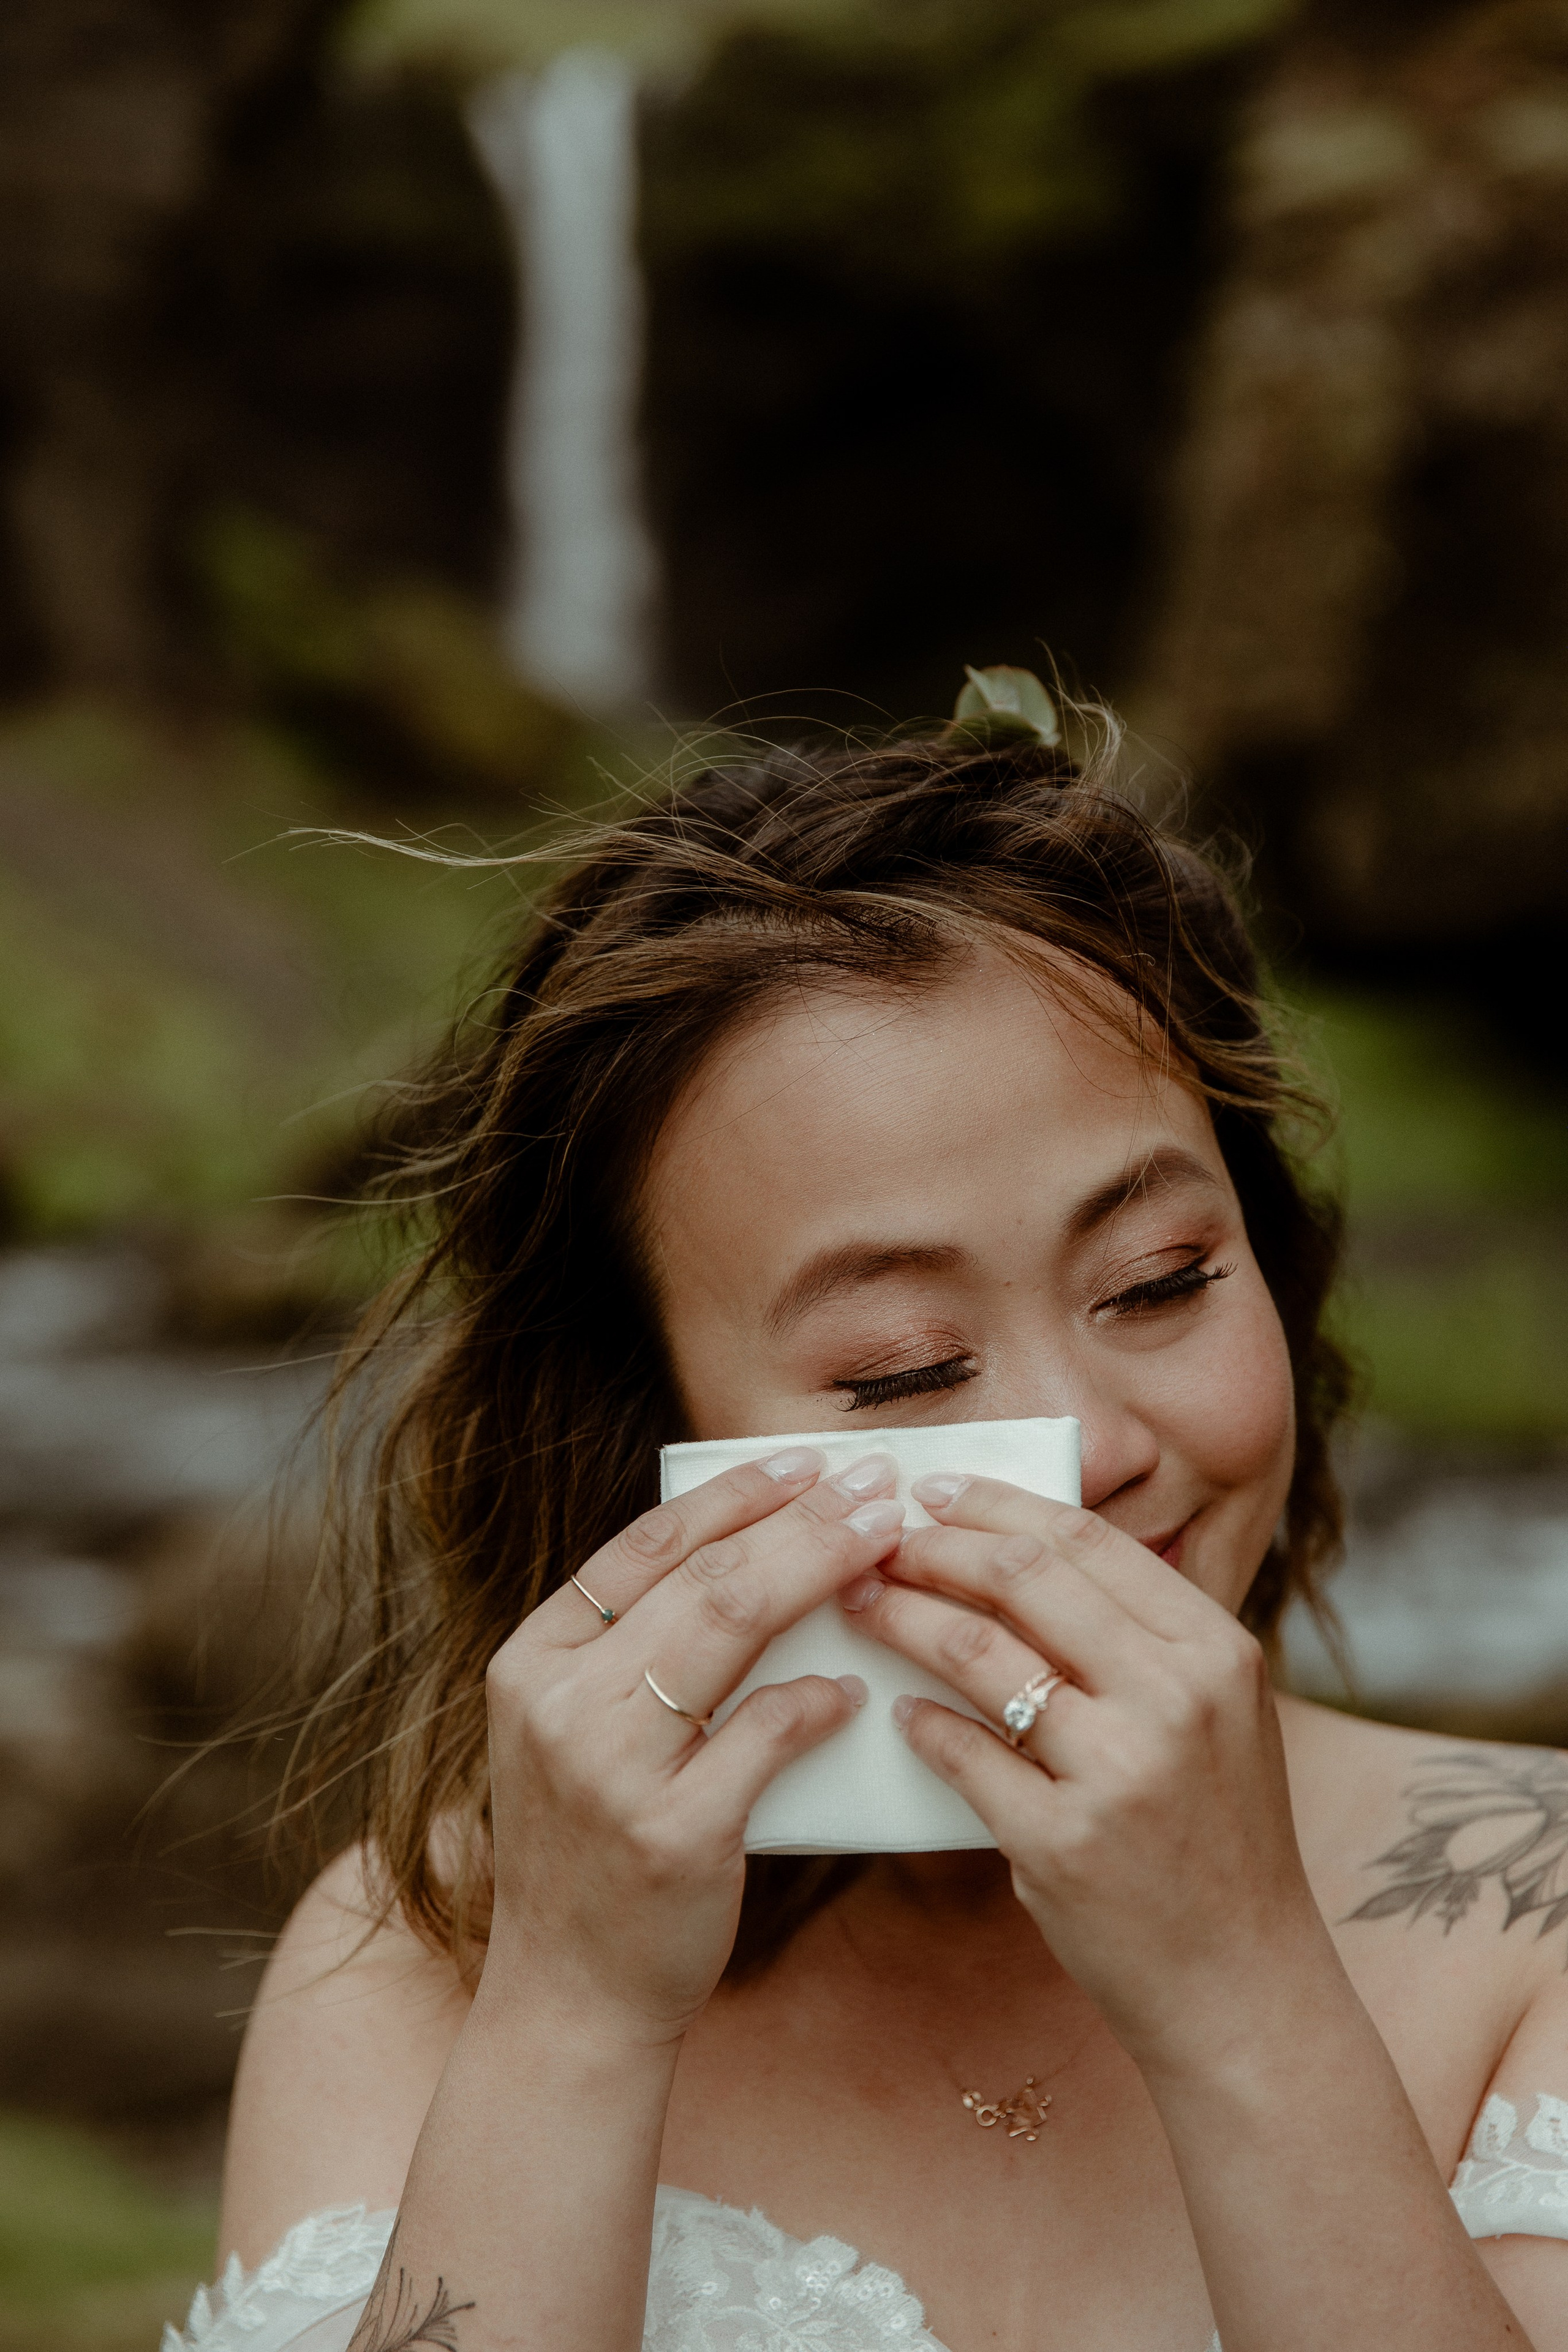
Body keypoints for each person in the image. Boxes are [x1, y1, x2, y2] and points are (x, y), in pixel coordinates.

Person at [172, 676, 1568, 2352]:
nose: (1096, 1447)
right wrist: (576, 2019)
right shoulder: (432, 1956)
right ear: (653, 1433)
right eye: (904, 1372)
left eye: (1162, 1279)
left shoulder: (1528, 1912)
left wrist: (1243, 1996)